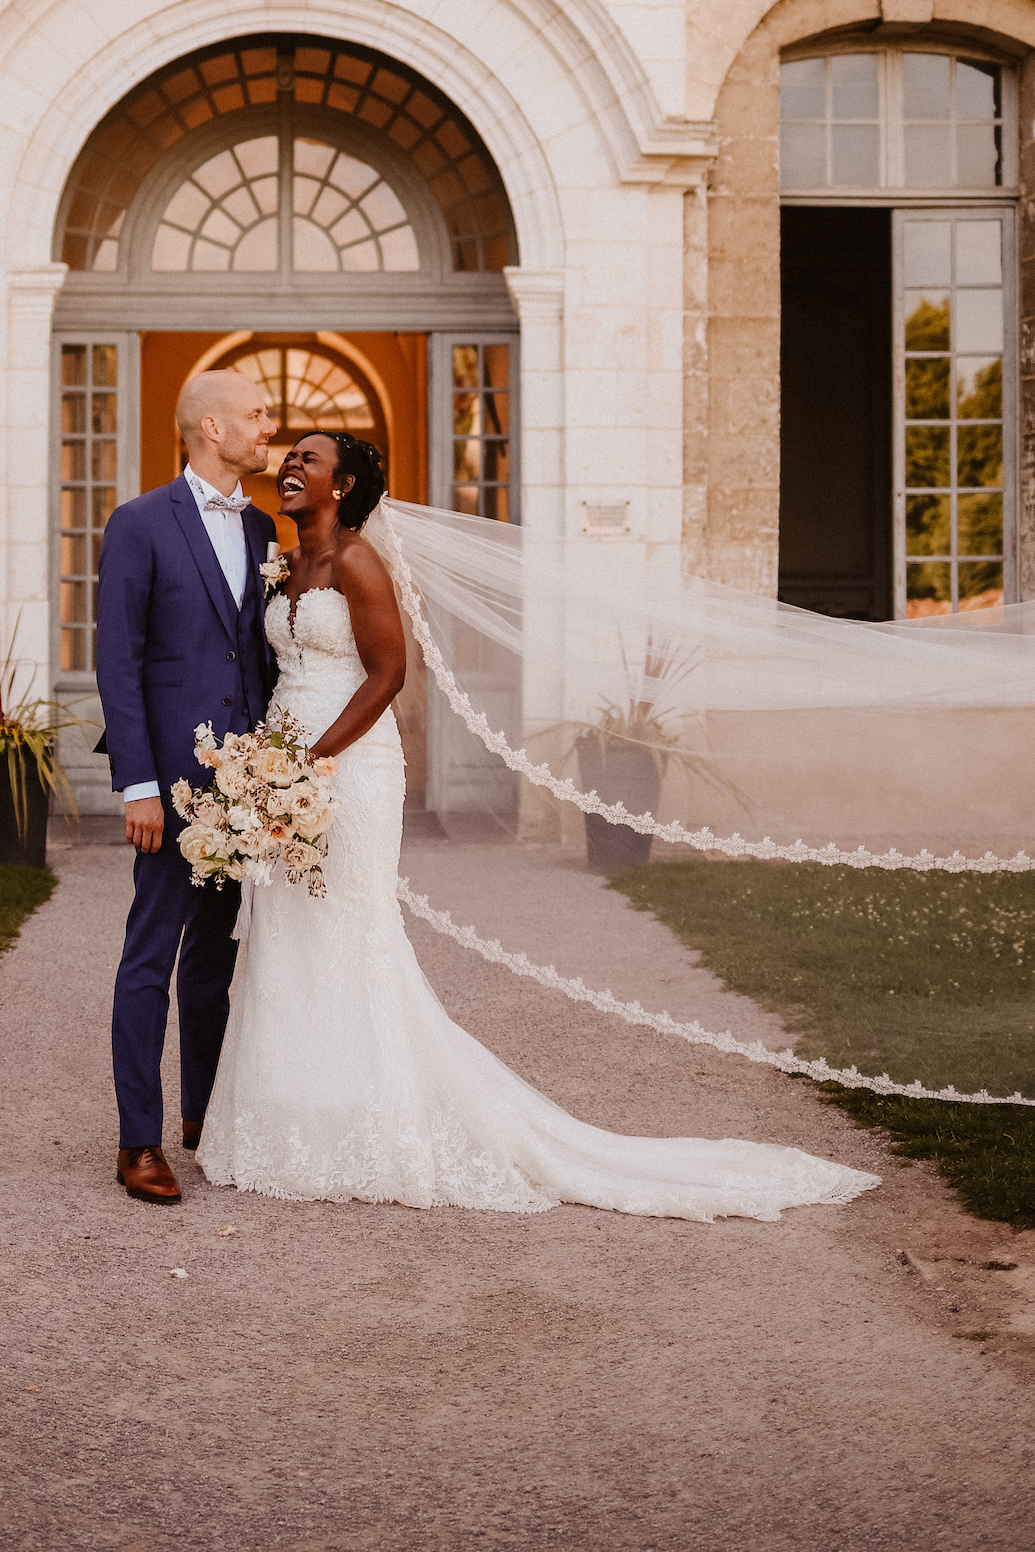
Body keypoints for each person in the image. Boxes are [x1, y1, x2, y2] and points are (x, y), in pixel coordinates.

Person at [199, 432, 880, 1222]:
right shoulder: (286, 564)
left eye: (308, 460)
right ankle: (291, 1117)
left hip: (346, 767)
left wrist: (310, 762)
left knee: (348, 922)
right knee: (286, 923)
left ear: (344, 484)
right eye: (289, 458)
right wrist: (266, 768)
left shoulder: (357, 562)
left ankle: (372, 1117)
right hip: (285, 760)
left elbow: (389, 673)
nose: (289, 467)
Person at [96, 369, 279, 1205]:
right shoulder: (138, 525)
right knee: (151, 958)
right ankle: (140, 1141)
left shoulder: (265, 528)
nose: (267, 426)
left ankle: (204, 1115)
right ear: (212, 426)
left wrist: (275, 778)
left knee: (216, 956)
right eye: (256, 414)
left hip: (245, 785)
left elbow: (260, 658)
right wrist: (138, 783)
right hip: (168, 785)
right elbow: (119, 663)